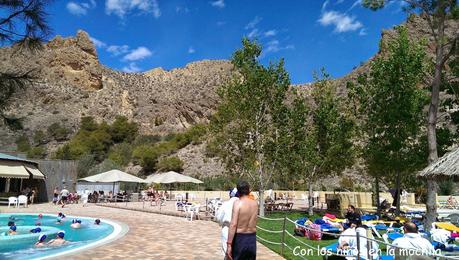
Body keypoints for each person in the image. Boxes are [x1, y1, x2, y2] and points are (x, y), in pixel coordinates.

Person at [226, 181, 258, 260]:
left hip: (240, 238)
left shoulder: (237, 203)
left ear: (238, 191)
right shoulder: (255, 204)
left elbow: (233, 224)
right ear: (248, 190)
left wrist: (229, 244)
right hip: (252, 238)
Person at [216, 188, 239, 258]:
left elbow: (218, 217)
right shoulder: (242, 204)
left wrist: (221, 223)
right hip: (239, 230)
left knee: (226, 252)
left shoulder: (226, 204)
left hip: (227, 229)